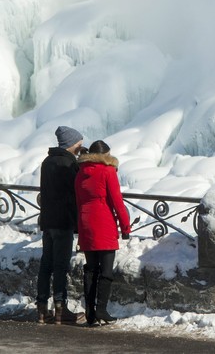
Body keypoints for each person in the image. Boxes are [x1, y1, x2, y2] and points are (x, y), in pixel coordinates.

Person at [75, 139, 131, 326]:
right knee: (106, 270)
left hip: (85, 221)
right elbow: (117, 201)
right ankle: (101, 309)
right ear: (106, 155)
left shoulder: (81, 172)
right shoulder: (108, 171)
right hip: (104, 222)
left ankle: (90, 312)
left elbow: (78, 200)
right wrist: (125, 227)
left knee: (91, 268)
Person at [36, 125, 86, 325]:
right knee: (60, 266)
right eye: (79, 143)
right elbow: (76, 192)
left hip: (48, 221)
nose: (81, 146)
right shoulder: (69, 163)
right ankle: (60, 309)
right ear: (72, 143)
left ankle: (41, 309)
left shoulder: (47, 162)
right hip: (64, 221)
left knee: (45, 265)